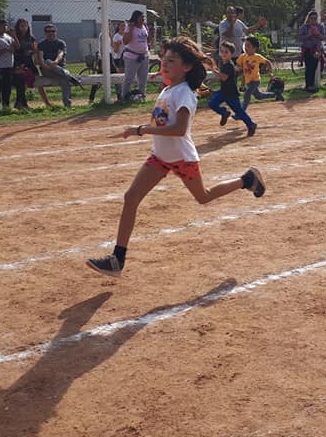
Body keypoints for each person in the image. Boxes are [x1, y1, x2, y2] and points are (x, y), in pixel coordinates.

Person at [86, 36, 266, 277]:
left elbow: (179, 129)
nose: (164, 63)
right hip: (160, 157)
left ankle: (246, 179)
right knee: (131, 197)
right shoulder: (169, 89)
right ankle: (117, 259)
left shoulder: (184, 94)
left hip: (182, 157)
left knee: (204, 197)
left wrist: (142, 130)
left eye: (171, 60)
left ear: (187, 66)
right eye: (163, 59)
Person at [208, 41, 257, 137]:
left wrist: (213, 70)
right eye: (222, 51)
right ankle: (224, 113)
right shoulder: (222, 63)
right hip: (224, 91)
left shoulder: (229, 65)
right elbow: (221, 75)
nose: (223, 54)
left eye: (226, 52)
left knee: (239, 111)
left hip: (231, 94)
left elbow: (223, 77)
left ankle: (251, 125)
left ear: (231, 54)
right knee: (212, 103)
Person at [37, 23, 80, 108]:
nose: (50, 33)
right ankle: (69, 76)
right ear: (45, 33)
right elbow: (41, 58)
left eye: (52, 31)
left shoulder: (61, 43)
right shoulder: (41, 44)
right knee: (48, 60)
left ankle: (67, 105)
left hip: (59, 69)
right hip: (47, 70)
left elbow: (60, 54)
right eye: (48, 31)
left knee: (64, 80)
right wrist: (47, 65)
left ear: (56, 32)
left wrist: (55, 62)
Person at [238, 36, 281, 107]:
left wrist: (270, 72)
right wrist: (242, 84)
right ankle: (275, 94)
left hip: (255, 80)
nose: (245, 47)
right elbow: (243, 71)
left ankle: (241, 112)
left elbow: (268, 62)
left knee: (247, 94)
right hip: (248, 81)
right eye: (245, 45)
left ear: (254, 48)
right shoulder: (243, 57)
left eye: (248, 46)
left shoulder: (257, 57)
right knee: (259, 96)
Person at [120, 10, 151, 102]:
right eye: (141, 17)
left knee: (143, 78)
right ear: (136, 18)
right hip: (132, 56)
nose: (143, 18)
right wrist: (131, 29)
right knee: (129, 78)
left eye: (143, 17)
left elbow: (146, 38)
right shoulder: (130, 28)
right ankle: (125, 96)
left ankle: (141, 95)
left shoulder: (144, 27)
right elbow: (125, 42)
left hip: (144, 56)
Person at [297, 10, 326, 92]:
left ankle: (312, 84)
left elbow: (323, 37)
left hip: (317, 49)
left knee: (314, 67)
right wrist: (309, 35)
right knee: (308, 67)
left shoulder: (320, 27)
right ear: (308, 19)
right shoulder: (304, 27)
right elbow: (300, 38)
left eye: (315, 18)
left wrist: (317, 33)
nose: (313, 20)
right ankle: (308, 85)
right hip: (307, 49)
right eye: (311, 18)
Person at [10, 18, 36, 109]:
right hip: (17, 63)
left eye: (26, 25)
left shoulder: (31, 38)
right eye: (22, 26)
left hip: (28, 64)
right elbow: (14, 51)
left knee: (23, 76)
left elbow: (34, 50)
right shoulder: (14, 37)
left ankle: (19, 103)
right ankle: (21, 103)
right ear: (18, 27)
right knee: (20, 77)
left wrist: (30, 52)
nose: (24, 28)